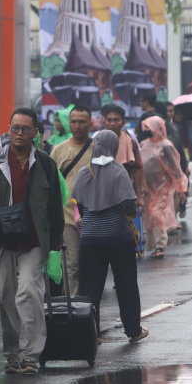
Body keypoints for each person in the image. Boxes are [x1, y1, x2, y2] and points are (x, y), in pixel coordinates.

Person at [0, 108, 64, 375]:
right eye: (15, 129)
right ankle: (12, 354)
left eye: (25, 129)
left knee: (29, 293)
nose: (19, 134)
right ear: (8, 130)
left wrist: (56, 238)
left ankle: (30, 354)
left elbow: (55, 204)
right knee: (7, 299)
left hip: (34, 241)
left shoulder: (45, 163)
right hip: (1, 242)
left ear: (35, 133)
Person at [73, 130, 148, 343]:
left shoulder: (83, 172)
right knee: (126, 285)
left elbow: (81, 205)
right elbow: (128, 205)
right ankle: (133, 330)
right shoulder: (119, 170)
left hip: (89, 238)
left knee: (90, 287)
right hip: (118, 237)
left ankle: (89, 333)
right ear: (114, 146)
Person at [49, 105, 94, 294]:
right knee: (71, 264)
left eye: (82, 122)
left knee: (91, 264)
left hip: (94, 216)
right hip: (67, 217)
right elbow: (50, 185)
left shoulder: (98, 149)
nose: (77, 126)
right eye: (73, 121)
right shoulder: (58, 151)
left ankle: (90, 305)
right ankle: (73, 308)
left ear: (90, 124)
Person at [139, 117, 188, 260]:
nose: (147, 131)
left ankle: (160, 246)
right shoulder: (144, 144)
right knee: (148, 215)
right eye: (146, 128)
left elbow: (175, 168)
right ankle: (151, 245)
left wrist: (181, 188)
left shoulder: (166, 145)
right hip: (147, 188)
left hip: (162, 187)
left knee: (156, 213)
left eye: (150, 127)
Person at [102, 104, 145, 199]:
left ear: (123, 123)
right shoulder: (96, 142)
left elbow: (137, 168)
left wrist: (140, 196)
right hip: (102, 192)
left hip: (124, 192)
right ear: (104, 122)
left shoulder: (131, 142)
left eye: (116, 120)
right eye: (109, 120)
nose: (113, 123)